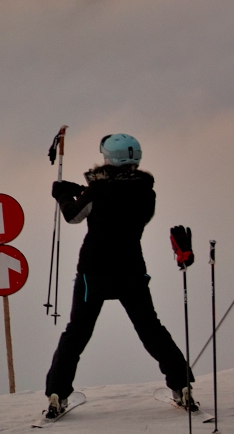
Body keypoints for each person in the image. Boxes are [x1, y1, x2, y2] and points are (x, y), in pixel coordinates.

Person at [43, 133, 195, 421]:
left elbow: (74, 216)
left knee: (77, 332)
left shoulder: (97, 191)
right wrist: (83, 189)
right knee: (151, 329)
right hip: (130, 271)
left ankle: (57, 393)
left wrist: (64, 194)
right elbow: (119, 205)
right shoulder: (146, 193)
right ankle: (182, 384)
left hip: (94, 272)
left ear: (107, 158)